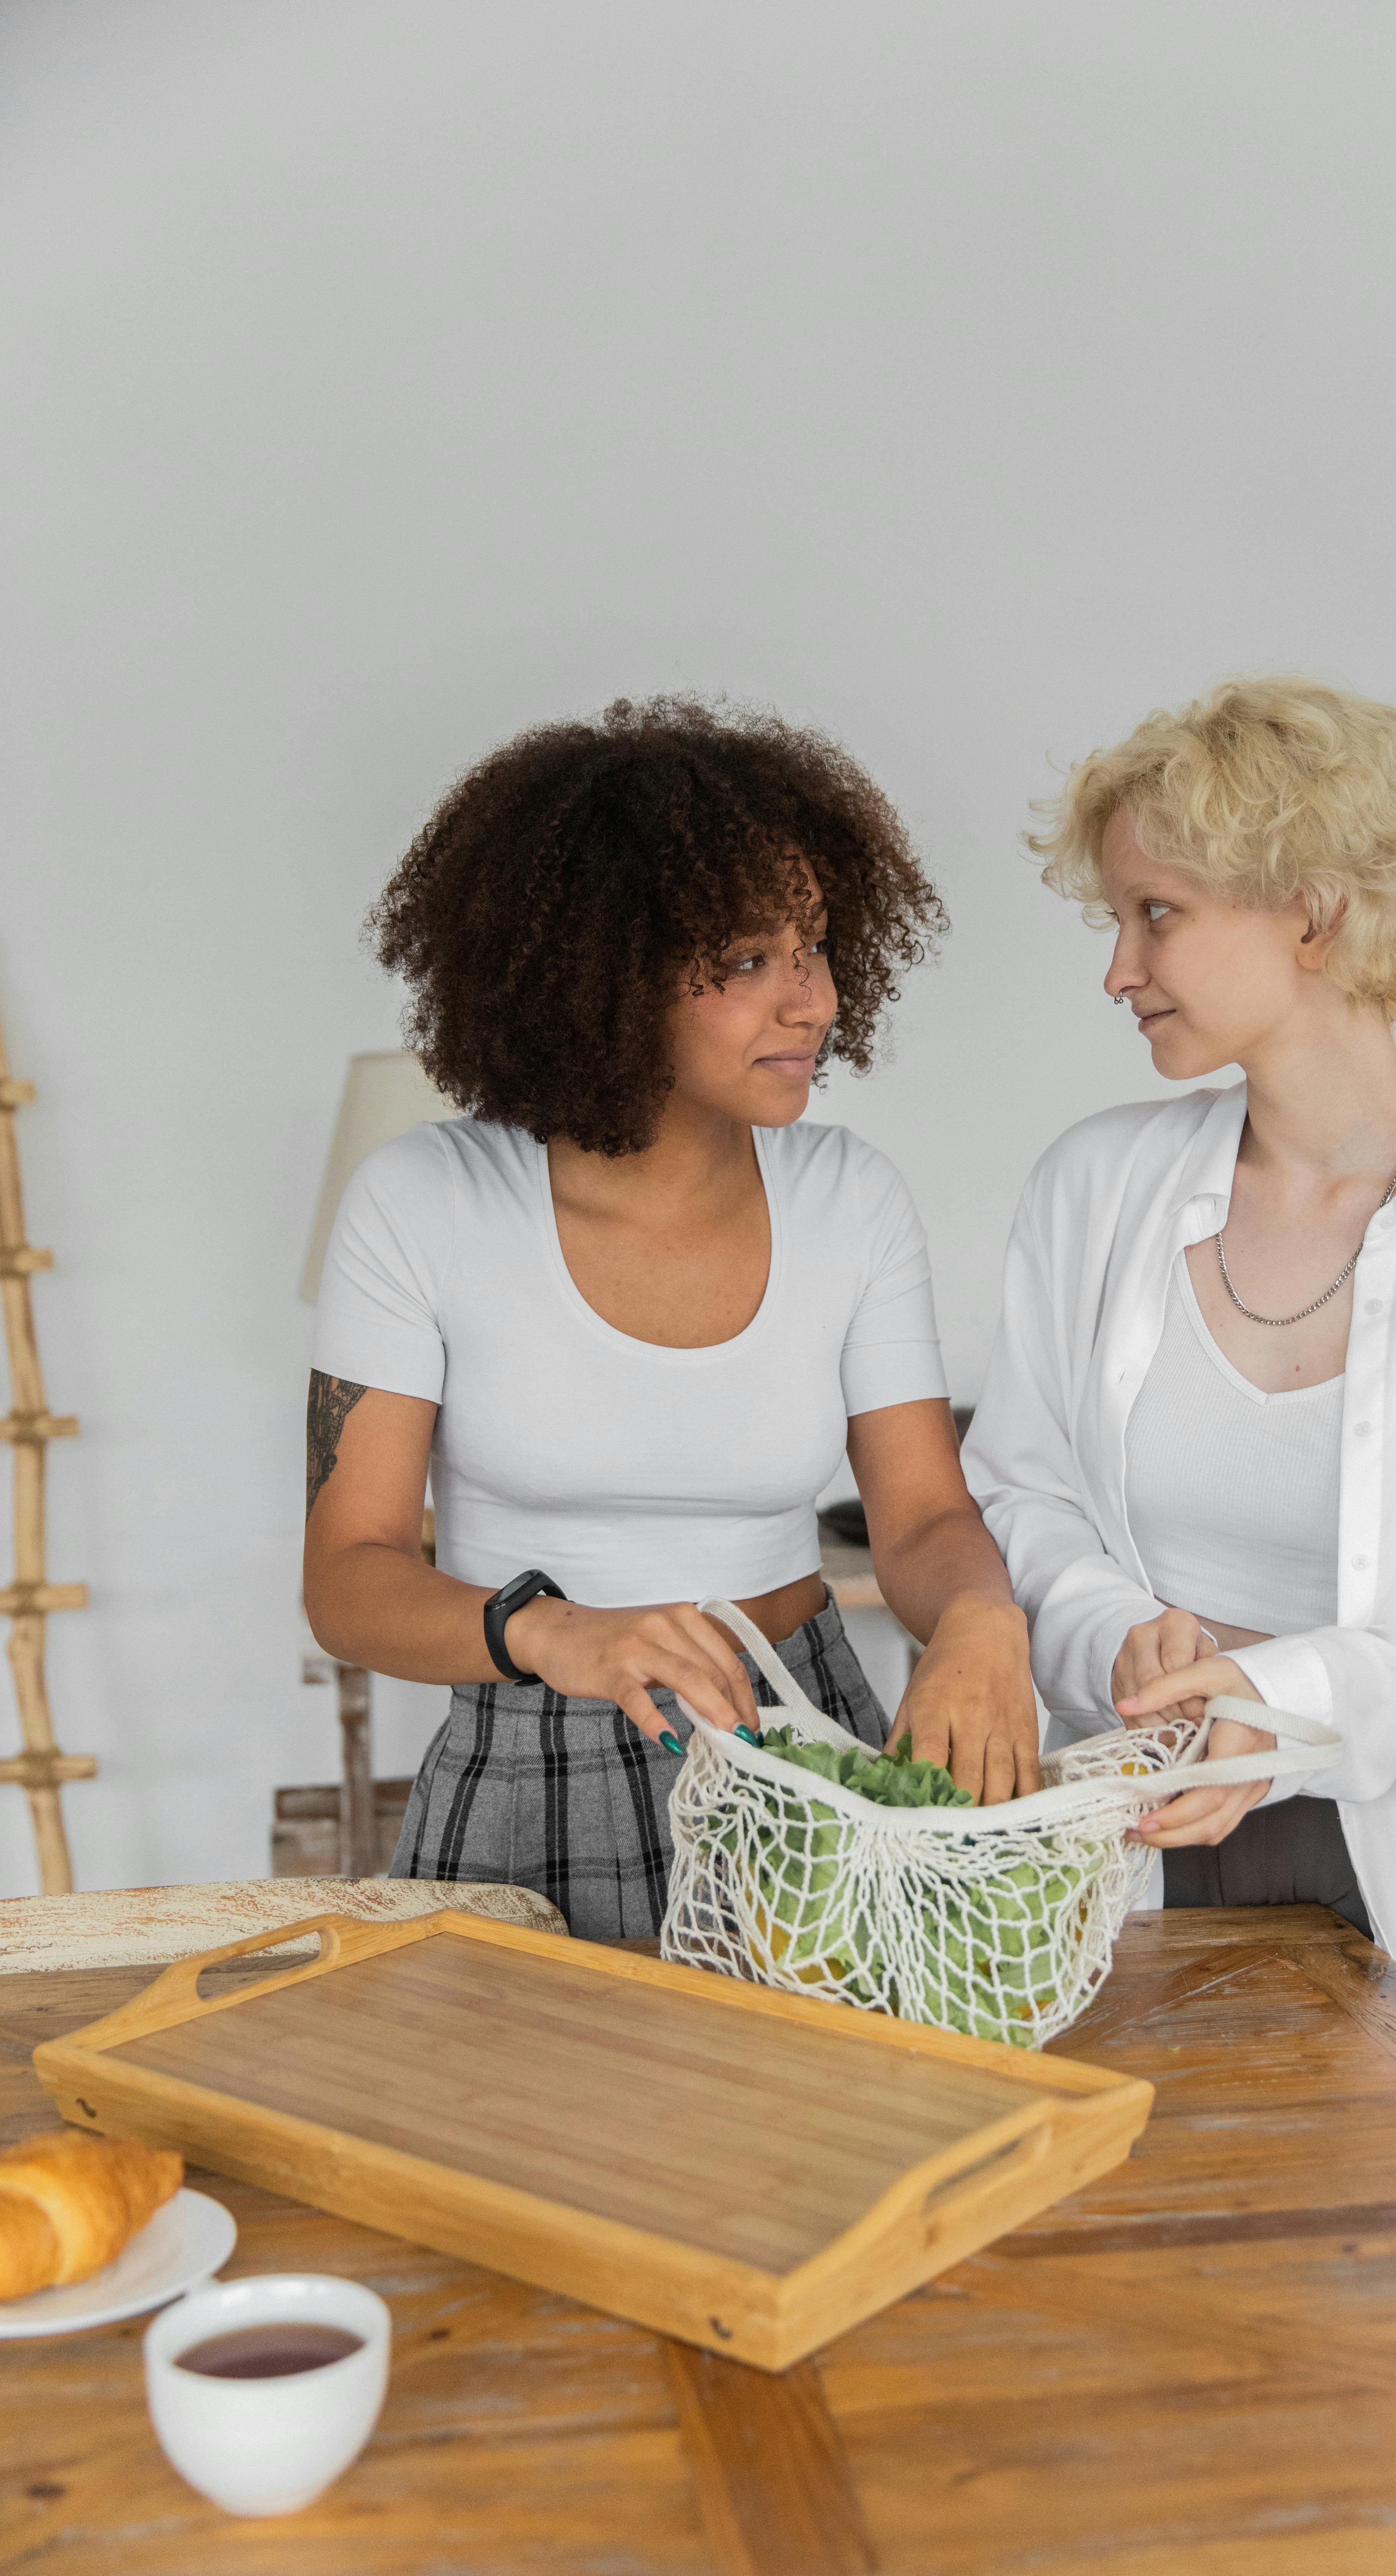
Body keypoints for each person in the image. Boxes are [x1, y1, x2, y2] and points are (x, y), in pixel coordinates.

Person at [963, 677, 1396, 2068]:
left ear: (1317, 916)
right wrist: (1113, 1631)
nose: (1118, 968)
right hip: (1123, 1864)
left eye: (1157, 914)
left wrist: (1273, 1707)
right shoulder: (1092, 1188)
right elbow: (1022, 1494)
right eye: (1116, 919)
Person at [304, 696, 1038, 1941]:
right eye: (750, 962)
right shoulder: (424, 1200)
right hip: (531, 1759)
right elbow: (348, 1581)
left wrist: (981, 1617)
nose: (809, 1002)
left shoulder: (848, 1197)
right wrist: (551, 1632)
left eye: (814, 950)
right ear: (602, 971)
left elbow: (920, 1517)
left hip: (806, 1742)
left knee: (835, 2134)